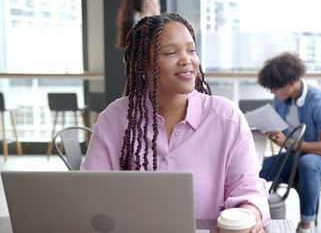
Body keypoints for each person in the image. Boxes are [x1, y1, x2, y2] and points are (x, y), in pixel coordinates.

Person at [82, 13, 270, 232]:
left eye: (191, 50)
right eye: (171, 52)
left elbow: (248, 187)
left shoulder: (227, 118)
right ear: (144, 65)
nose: (186, 59)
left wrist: (249, 214)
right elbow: (92, 194)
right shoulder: (114, 119)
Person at [257, 52, 321, 233]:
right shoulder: (280, 100)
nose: (272, 91)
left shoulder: (320, 103)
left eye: (275, 87)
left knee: (308, 163)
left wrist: (291, 144)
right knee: (256, 167)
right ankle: (251, 215)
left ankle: (306, 225)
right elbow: (283, 135)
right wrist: (271, 133)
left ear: (291, 81)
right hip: (294, 155)